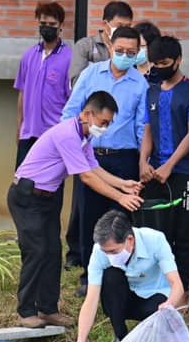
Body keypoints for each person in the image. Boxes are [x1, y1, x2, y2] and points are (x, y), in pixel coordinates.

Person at [8, 91, 143, 329]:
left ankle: (48, 309)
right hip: (27, 196)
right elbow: (86, 177)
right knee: (36, 251)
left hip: (47, 197)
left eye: (109, 124)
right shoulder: (67, 134)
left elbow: (93, 167)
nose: (105, 128)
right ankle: (25, 311)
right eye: (103, 122)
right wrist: (121, 198)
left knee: (53, 252)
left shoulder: (84, 136)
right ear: (87, 114)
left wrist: (123, 184)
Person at [61, 26, 148, 296]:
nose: (124, 56)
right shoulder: (91, 74)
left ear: (138, 53)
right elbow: (71, 112)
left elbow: (142, 127)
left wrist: (143, 162)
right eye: (120, 50)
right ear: (110, 46)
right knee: (88, 217)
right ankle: (90, 277)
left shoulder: (140, 84)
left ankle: (118, 277)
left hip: (124, 159)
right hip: (90, 156)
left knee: (120, 219)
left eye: (131, 52)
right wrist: (72, 146)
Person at [139, 36, 189, 297]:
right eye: (155, 63)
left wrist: (170, 164)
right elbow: (147, 129)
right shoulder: (152, 91)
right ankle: (158, 283)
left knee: (183, 229)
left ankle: (183, 286)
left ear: (178, 60)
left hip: (185, 171)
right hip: (155, 172)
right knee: (156, 228)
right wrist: (143, 162)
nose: (160, 68)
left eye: (165, 62)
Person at [74, 210, 183, 342]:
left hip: (154, 299)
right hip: (123, 300)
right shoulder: (99, 251)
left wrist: (169, 305)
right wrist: (81, 340)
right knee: (111, 275)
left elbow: (177, 285)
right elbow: (91, 299)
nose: (109, 256)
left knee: (158, 312)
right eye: (106, 252)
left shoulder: (155, 240)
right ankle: (121, 337)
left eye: (113, 252)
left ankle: (152, 340)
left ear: (130, 240)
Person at [14, 1, 72, 169]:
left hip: (54, 134)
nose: (47, 28)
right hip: (28, 133)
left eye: (52, 24)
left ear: (61, 26)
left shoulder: (69, 58)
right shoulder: (29, 56)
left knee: (50, 183)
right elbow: (22, 94)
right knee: (23, 182)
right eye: (43, 23)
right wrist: (19, 127)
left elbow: (72, 100)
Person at [69, 0, 134, 83]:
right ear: (105, 24)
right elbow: (76, 81)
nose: (123, 31)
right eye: (119, 26)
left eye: (128, 27)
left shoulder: (132, 49)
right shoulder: (85, 46)